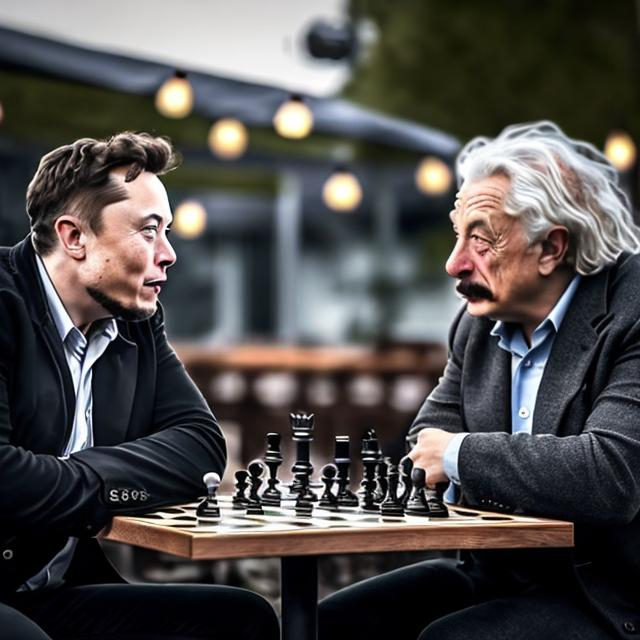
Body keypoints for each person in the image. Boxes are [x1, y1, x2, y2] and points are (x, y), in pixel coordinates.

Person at [319, 121, 640, 639]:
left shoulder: (631, 308)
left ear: (551, 248)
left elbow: (609, 478)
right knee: (334, 622)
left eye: (481, 239)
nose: (454, 264)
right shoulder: (478, 321)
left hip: (611, 597)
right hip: (499, 575)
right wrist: (460, 458)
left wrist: (461, 456)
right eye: (456, 234)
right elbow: (424, 445)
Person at [0, 132, 279, 640]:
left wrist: (69, 481)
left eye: (167, 231)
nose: (169, 254)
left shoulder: (136, 320)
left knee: (241, 618)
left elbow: (201, 447)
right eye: (149, 231)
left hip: (47, 589)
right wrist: (97, 489)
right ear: (74, 237)